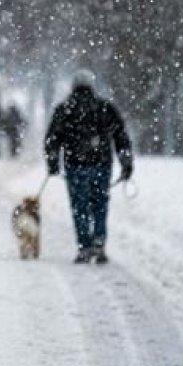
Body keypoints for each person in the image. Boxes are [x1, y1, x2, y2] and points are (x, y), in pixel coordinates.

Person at [45, 70, 134, 264]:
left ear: (73, 86)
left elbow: (52, 139)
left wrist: (52, 163)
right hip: (101, 164)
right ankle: (99, 243)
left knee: (79, 207)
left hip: (75, 165)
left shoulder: (65, 109)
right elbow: (121, 137)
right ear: (92, 86)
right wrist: (126, 162)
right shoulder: (105, 108)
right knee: (100, 204)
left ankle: (84, 247)